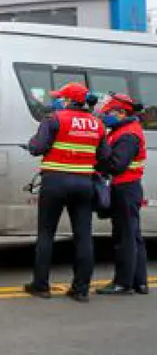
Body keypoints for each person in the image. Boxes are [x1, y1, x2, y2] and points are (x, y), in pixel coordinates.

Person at [24, 82, 109, 303]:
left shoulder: (54, 119)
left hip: (55, 182)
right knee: (83, 236)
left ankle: (41, 286)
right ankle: (81, 289)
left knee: (46, 234)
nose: (58, 100)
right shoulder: (97, 124)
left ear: (69, 100)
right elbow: (104, 157)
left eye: (61, 97)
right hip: (83, 183)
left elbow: (38, 147)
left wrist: (31, 144)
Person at [95, 93, 148, 295]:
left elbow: (117, 164)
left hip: (125, 188)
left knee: (124, 237)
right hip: (130, 188)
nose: (105, 116)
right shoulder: (125, 130)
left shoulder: (127, 134)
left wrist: (99, 159)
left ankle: (123, 283)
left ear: (121, 113)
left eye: (108, 113)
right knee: (134, 236)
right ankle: (139, 282)